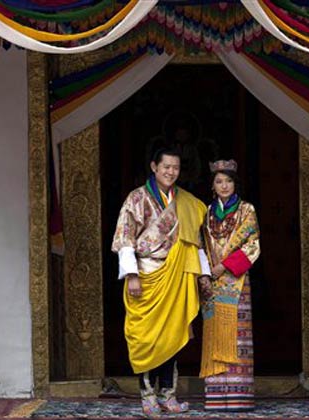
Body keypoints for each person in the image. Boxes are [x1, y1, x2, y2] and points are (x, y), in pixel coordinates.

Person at [111, 148, 210, 417]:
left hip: (177, 277)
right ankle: (147, 395)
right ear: (154, 166)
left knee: (172, 336)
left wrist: (203, 274)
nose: (171, 172)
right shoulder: (137, 198)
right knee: (146, 338)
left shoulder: (186, 202)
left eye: (175, 167)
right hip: (146, 275)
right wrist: (132, 275)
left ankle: (168, 394)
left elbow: (195, 243)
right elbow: (125, 239)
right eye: (166, 166)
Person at [198, 159, 261, 412]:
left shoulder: (247, 210)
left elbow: (252, 244)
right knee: (214, 335)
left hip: (237, 280)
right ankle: (215, 396)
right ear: (213, 186)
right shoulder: (206, 213)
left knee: (237, 336)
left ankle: (239, 396)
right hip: (212, 283)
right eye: (219, 181)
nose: (224, 186)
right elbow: (199, 245)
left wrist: (224, 266)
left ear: (236, 183)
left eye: (228, 181)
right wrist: (204, 274)